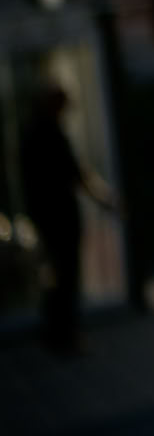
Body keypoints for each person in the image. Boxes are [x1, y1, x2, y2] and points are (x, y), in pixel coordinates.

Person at [20, 80, 114, 357]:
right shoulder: (47, 133)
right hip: (58, 217)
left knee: (58, 275)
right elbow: (76, 173)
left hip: (47, 216)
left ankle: (57, 333)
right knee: (65, 276)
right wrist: (104, 199)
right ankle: (63, 335)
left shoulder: (35, 133)